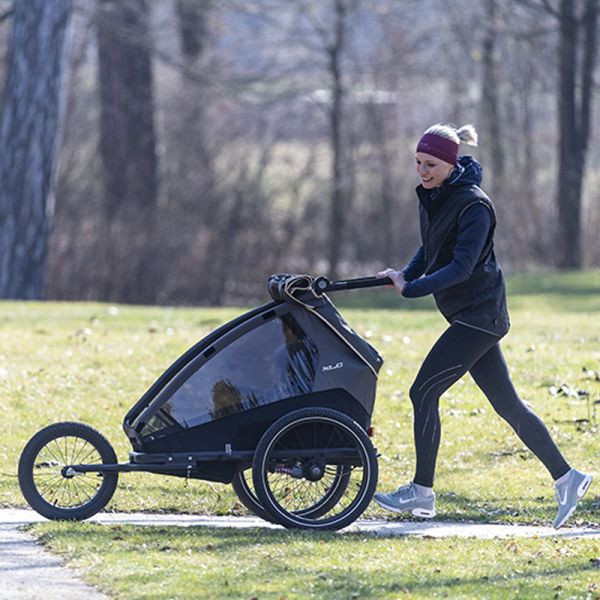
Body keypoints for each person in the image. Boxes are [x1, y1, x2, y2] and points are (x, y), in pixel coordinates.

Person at [373, 123, 592, 529]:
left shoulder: (474, 205)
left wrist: (412, 288)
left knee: (422, 391)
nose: (422, 171)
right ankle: (568, 478)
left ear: (451, 163)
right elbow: (431, 246)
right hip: (469, 315)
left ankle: (422, 493)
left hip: (480, 316)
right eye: (418, 163)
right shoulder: (436, 196)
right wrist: (403, 273)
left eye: (430, 164)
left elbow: (461, 265)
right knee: (508, 405)